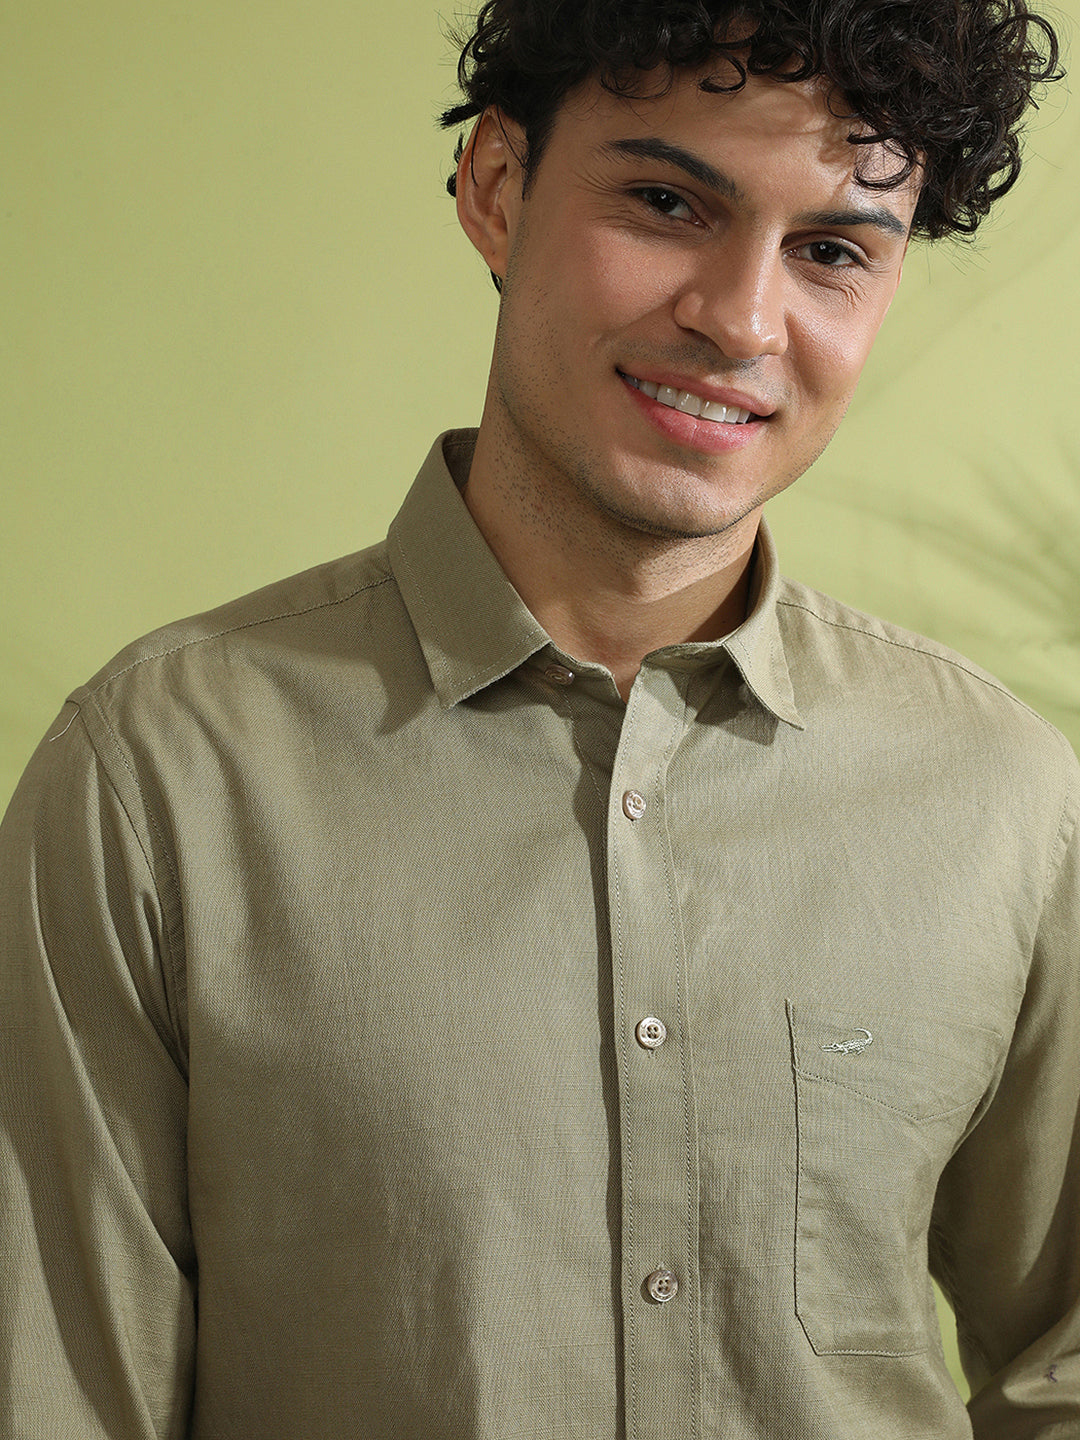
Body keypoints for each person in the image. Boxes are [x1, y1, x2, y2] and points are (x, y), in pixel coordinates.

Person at [0, 0, 1072, 1435]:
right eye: (667, 204)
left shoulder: (1000, 795)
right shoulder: (160, 778)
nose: (742, 320)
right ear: (497, 188)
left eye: (831, 250)